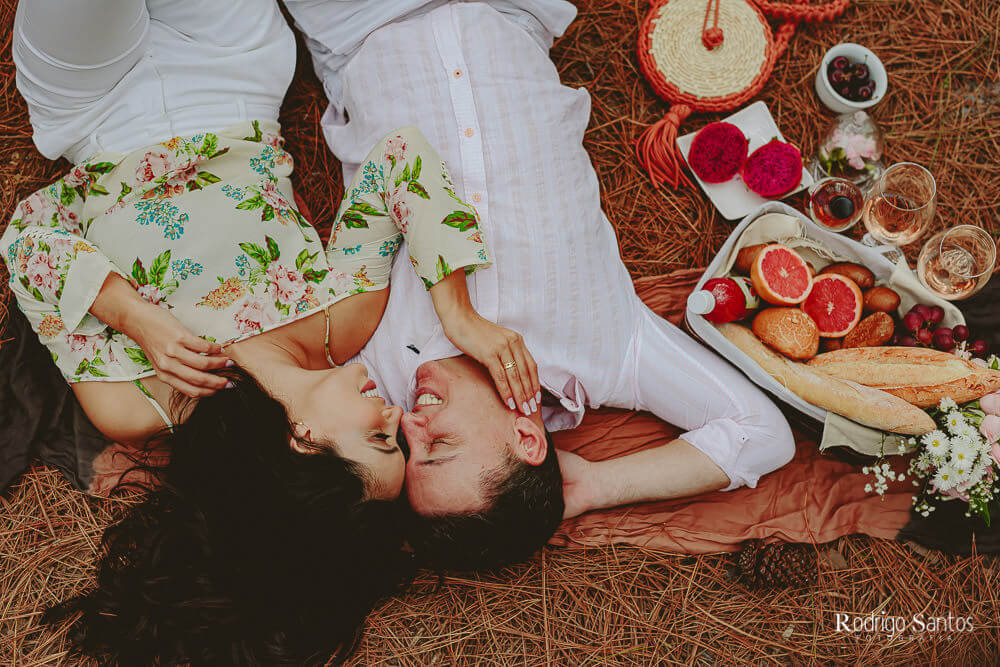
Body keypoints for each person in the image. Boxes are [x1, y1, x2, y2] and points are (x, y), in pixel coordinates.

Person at [4, 0, 539, 661]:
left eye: (378, 436)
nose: (395, 411)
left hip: (94, 108)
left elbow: (29, 239)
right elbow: (400, 160)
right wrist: (460, 313)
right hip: (234, 68)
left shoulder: (139, 402)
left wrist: (135, 317)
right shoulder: (344, 321)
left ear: (304, 440)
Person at [284, 0, 798, 569]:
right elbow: (762, 433)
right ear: (527, 440)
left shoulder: (370, 375)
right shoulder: (609, 353)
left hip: (362, 25)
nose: (409, 423)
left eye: (410, 450)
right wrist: (597, 485)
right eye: (439, 446)